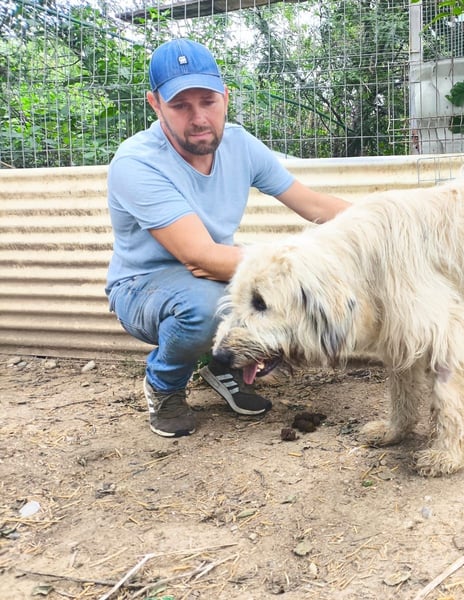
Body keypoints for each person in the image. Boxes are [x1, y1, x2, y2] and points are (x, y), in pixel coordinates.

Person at [105, 38, 350, 438]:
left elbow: (311, 203)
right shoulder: (137, 163)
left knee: (238, 295)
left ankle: (223, 366)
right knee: (206, 309)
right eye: (181, 105)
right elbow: (200, 256)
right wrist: (299, 268)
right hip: (142, 287)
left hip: (213, 271)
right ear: (155, 104)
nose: (199, 118)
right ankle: (164, 385)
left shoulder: (239, 144)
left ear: (225, 96)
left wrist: (383, 222)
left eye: (208, 101)